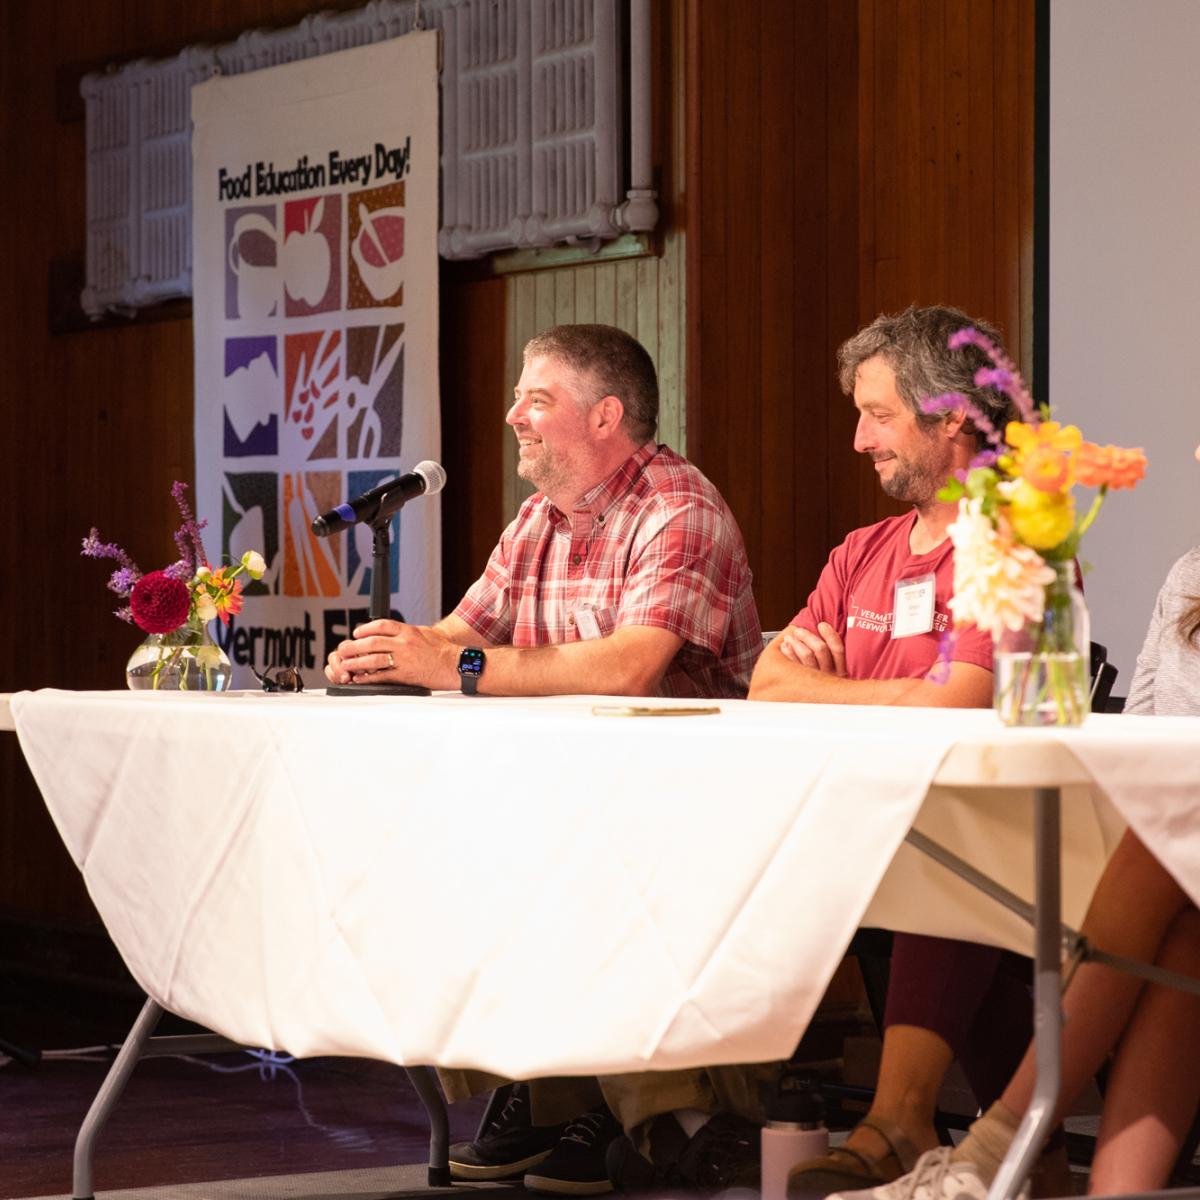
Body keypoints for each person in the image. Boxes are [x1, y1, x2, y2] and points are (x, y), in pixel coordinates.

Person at [326, 323, 764, 1195]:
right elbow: (455, 635)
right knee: (445, 839)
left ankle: (633, 1103)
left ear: (606, 416)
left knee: (578, 855)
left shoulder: (678, 508)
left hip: (693, 803)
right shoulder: (539, 518)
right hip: (572, 794)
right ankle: (553, 1087)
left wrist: (449, 664)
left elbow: (630, 662)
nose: (511, 414)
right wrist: (386, 651)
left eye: (538, 398)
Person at [747, 305, 1066, 1195]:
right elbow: (768, 683)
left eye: (878, 416)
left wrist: (834, 690)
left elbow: (964, 705)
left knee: (949, 838)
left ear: (952, 417)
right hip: (857, 821)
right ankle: (1032, 1155)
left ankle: (896, 1121)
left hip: (1005, 827)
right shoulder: (863, 552)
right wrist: (890, 694)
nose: (858, 440)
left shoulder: (1018, 536)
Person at [830, 444, 1200, 1199]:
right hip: (1180, 843)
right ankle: (1033, 1168)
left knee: (1161, 871)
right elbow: (1150, 729)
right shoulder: (1191, 574)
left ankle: (992, 1151)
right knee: (1178, 934)